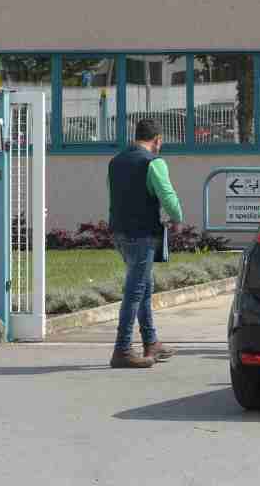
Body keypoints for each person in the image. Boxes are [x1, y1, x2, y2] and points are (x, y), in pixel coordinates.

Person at [106, 119, 182, 369]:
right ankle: (123, 349)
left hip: (119, 232)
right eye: (161, 142)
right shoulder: (153, 162)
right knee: (136, 290)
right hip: (142, 233)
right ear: (157, 139)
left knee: (144, 285)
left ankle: (151, 342)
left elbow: (113, 193)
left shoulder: (116, 161)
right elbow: (167, 195)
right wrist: (177, 218)